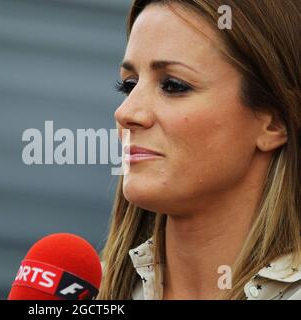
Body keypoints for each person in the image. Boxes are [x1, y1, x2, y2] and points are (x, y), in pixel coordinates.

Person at [97, 0, 301, 300]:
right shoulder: (86, 293)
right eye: (129, 85)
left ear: (274, 122)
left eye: (173, 85)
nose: (126, 112)